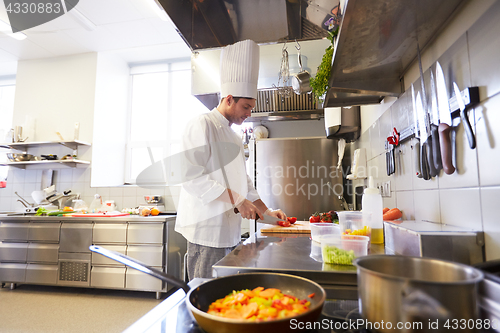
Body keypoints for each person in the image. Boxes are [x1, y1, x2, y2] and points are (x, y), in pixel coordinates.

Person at [175, 39, 287, 280]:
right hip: (206, 233)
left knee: (224, 296)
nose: (249, 114)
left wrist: (268, 212)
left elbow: (243, 182)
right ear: (228, 99)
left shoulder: (234, 138)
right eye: (246, 107)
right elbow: (191, 177)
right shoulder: (201, 125)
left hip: (230, 234)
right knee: (204, 297)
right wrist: (238, 201)